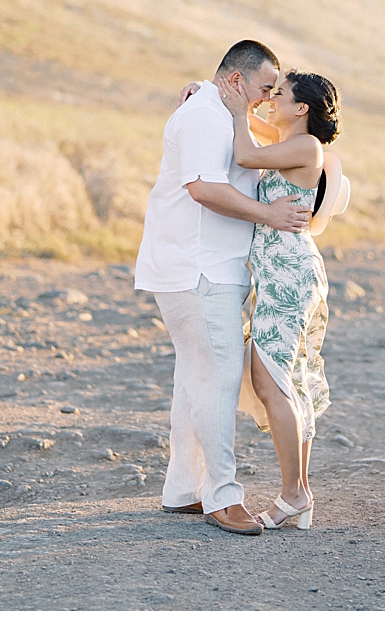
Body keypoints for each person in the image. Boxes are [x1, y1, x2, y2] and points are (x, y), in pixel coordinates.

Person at [134, 40, 312, 537]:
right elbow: (204, 189)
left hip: (209, 269)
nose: (266, 97)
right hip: (198, 270)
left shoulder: (217, 110)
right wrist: (269, 215)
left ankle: (183, 490)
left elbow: (251, 155)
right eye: (262, 87)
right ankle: (223, 498)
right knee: (217, 378)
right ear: (236, 80)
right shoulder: (204, 115)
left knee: (195, 378)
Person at [217, 69, 343, 531]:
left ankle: (294, 493)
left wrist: (235, 112)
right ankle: (299, 495)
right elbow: (258, 127)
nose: (271, 99)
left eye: (281, 94)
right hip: (283, 274)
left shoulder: (307, 147)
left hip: (289, 275)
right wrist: (224, 99)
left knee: (272, 384)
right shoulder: (291, 140)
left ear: (302, 108)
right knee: (289, 382)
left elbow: (245, 152)